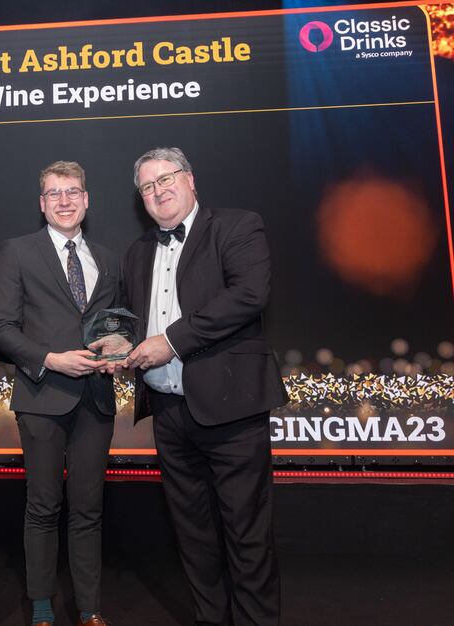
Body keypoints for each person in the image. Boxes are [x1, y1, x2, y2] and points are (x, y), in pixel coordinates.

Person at [122, 147, 288, 626]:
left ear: (190, 179)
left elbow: (249, 296)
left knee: (247, 536)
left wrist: (170, 342)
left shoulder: (236, 227)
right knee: (193, 537)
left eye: (166, 178)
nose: (159, 190)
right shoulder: (137, 253)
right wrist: (117, 343)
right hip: (170, 416)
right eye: (148, 187)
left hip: (233, 409)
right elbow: (131, 322)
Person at [0, 161, 121, 626]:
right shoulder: (18, 252)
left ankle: (89, 610)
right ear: (41, 203)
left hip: (96, 400)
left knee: (89, 509)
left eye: (72, 192)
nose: (64, 200)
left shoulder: (107, 258)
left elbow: (116, 326)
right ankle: (42, 609)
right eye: (53, 194)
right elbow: (2, 328)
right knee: (43, 506)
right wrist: (50, 359)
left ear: (86, 199)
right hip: (42, 394)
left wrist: (119, 348)